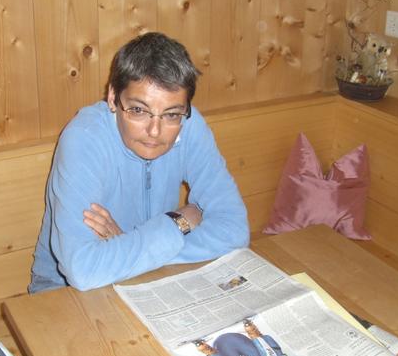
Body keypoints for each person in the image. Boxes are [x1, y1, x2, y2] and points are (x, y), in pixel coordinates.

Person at [29, 32, 249, 292]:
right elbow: (82, 270)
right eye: (138, 110)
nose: (155, 131)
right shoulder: (84, 138)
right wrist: (178, 222)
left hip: (150, 277)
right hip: (62, 290)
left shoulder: (189, 124)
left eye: (171, 114)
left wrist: (130, 245)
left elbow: (235, 231)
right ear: (113, 97)